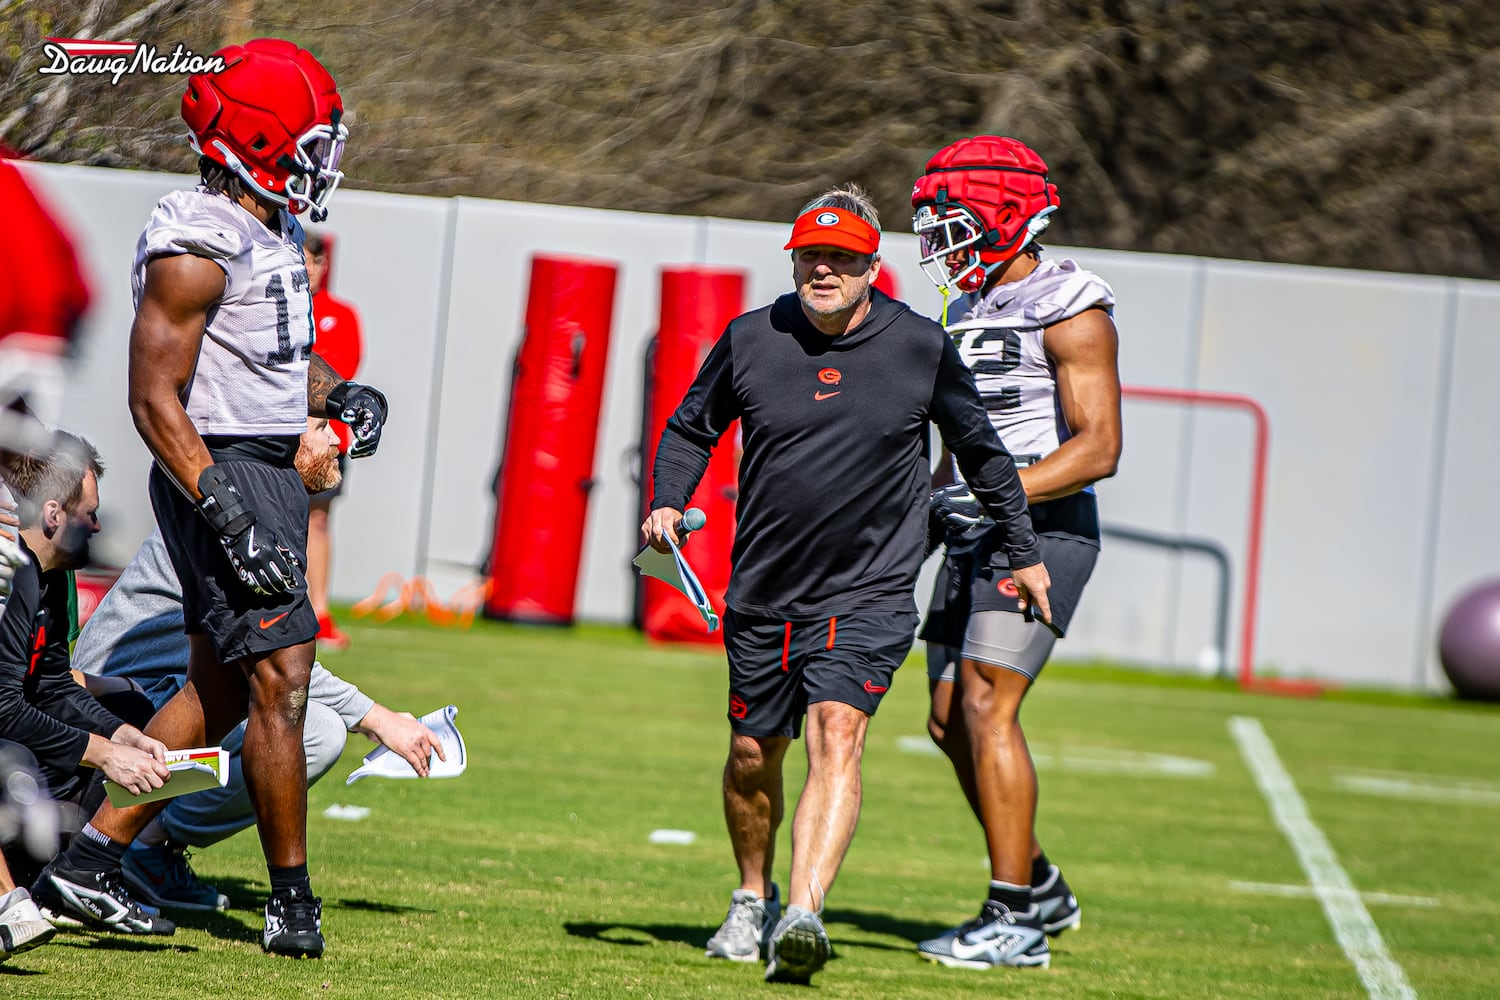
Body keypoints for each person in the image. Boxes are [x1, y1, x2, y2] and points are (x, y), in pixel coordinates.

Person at [641, 184, 1053, 985]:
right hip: (764, 591)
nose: (823, 270)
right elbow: (691, 428)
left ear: (871, 268)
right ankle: (753, 897)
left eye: (841, 258)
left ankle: (804, 914)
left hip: (869, 592)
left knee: (838, 731)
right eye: (811, 256)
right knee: (752, 755)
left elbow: (983, 453)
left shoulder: (920, 346)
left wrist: (1024, 551)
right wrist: (667, 500)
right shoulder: (751, 338)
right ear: (794, 261)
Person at [32, 38, 391, 958]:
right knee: (285, 679)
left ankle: (93, 856)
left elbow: (272, 357)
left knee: (225, 687)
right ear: (255, 142)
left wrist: (338, 392)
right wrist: (226, 509)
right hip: (222, 469)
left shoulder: (268, 223)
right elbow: (154, 397)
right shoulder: (196, 242)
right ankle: (292, 901)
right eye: (309, 142)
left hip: (259, 469)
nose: (323, 161)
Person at [72, 418, 442, 912]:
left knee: (291, 715)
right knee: (314, 730)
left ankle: (144, 842)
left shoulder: (259, 514)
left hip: (156, 699)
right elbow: (274, 661)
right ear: (279, 440)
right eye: (321, 427)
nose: (338, 439)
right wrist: (378, 719)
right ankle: (139, 843)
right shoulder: (234, 526)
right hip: (115, 716)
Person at [909, 135, 1122, 969]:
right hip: (970, 529)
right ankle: (1039, 884)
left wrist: (998, 494)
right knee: (945, 720)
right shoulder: (965, 306)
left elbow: (1099, 447)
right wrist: (922, 514)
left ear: (1003, 215)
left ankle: (1014, 921)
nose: (940, 242)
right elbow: (959, 445)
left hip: (1044, 530)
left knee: (987, 704)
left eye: (952, 221)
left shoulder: (1069, 301)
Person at [0, 433, 171, 878]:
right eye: (89, 514)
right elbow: (3, 709)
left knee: (131, 712)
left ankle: (78, 871)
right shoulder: (12, 576)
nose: (96, 527)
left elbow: (54, 685)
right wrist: (105, 753)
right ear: (53, 514)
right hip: (6, 743)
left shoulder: (51, 575)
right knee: (24, 758)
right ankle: (45, 877)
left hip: (16, 729)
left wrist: (122, 734)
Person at [301, 231, 364, 651]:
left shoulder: (340, 315)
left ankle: (319, 611)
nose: (307, 268)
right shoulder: (277, 306)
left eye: (313, 260)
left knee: (318, 521)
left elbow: (340, 374)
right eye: (301, 259)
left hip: (324, 435)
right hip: (280, 432)